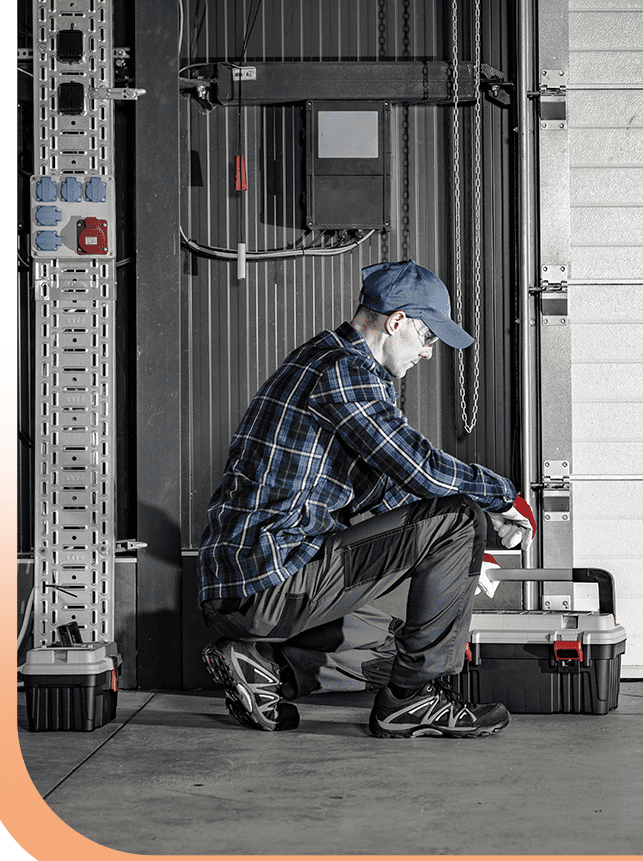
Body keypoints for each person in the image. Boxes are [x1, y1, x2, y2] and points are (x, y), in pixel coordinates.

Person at [196, 260, 534, 738]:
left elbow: (388, 488)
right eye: (428, 337)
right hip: (268, 580)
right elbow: (419, 468)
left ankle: (271, 668)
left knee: (428, 583)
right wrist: (502, 498)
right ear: (396, 322)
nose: (429, 354)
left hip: (259, 581)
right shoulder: (344, 371)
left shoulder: (327, 360)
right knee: (457, 521)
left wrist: (474, 538)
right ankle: (411, 701)